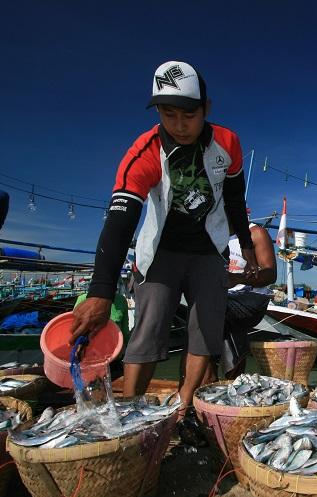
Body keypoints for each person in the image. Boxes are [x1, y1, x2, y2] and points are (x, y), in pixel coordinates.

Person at [69, 61, 258, 418]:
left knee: (206, 329)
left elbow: (235, 197)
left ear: (207, 109)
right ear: (158, 112)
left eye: (189, 114)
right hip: (161, 252)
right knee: (149, 329)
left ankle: (184, 406)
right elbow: (121, 219)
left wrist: (245, 244)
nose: (180, 125)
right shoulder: (145, 151)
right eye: (169, 115)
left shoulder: (227, 143)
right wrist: (100, 291)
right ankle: (128, 411)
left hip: (208, 250)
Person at [204, 220, 276, 381]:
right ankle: (219, 380)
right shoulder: (211, 233)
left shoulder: (256, 233)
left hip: (252, 298)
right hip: (221, 299)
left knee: (217, 309)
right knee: (205, 311)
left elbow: (270, 274)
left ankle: (217, 380)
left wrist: (238, 278)